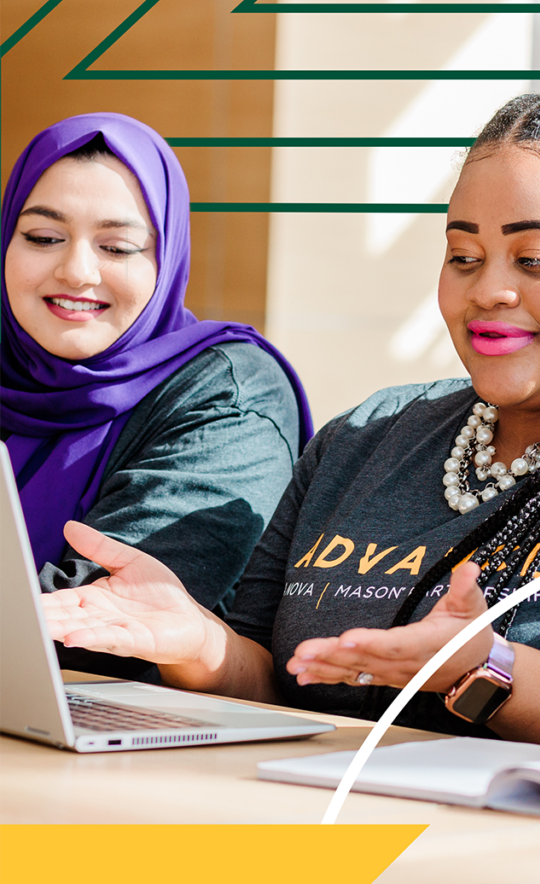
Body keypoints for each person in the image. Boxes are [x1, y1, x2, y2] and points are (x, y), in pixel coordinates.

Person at [42, 93, 540, 752]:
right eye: (463, 256)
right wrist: (195, 643)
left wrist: (488, 671)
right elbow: (272, 686)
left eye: (534, 261)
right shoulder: (366, 438)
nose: (488, 289)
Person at [2, 112, 313, 682]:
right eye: (44, 238)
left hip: (132, 743)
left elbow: (99, 614)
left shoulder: (226, 392)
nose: (75, 270)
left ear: (166, 260)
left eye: (117, 248)